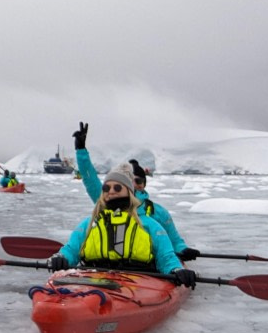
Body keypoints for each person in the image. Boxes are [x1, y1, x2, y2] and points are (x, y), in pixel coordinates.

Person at [48, 162, 197, 288]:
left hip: (139, 281)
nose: (111, 192)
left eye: (117, 188)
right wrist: (63, 257)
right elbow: (71, 249)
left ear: (129, 191)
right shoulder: (90, 223)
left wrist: (176, 269)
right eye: (106, 188)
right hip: (95, 277)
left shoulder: (150, 225)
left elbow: (166, 257)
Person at [72, 122, 200, 261]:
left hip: (146, 269)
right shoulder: (107, 201)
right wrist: (81, 150)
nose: (134, 184)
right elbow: (90, 179)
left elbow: (173, 239)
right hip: (110, 268)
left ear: (144, 184)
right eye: (131, 180)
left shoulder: (158, 212)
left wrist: (182, 250)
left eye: (138, 181)